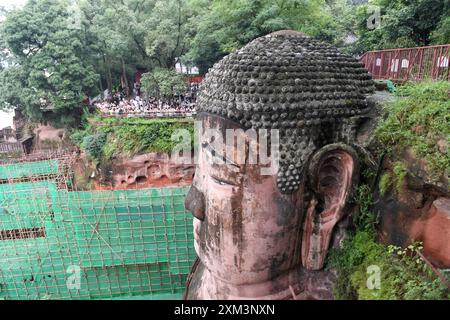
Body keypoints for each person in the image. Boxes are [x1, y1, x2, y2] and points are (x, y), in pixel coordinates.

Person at [184, 30, 375, 300]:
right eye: (198, 170)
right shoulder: (204, 280)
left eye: (220, 174)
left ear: (326, 197)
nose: (193, 202)